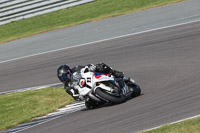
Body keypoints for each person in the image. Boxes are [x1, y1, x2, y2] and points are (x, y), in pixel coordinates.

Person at [57, 63, 124, 100]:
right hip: (85, 91)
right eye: (62, 78)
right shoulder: (67, 87)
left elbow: (86, 67)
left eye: (65, 76)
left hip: (90, 79)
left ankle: (114, 73)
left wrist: (91, 67)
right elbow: (74, 95)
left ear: (69, 72)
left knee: (100, 66)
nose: (64, 79)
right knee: (89, 105)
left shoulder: (76, 68)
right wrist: (79, 97)